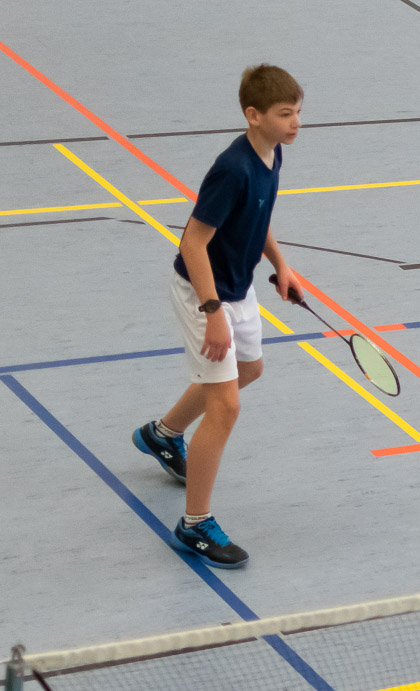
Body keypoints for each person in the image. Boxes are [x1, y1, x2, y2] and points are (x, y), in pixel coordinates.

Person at [132, 64, 305, 569]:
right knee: (225, 407)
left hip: (238, 285)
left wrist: (281, 265)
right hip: (202, 291)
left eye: (298, 112)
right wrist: (211, 312)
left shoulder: (272, 154)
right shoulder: (233, 168)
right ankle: (194, 525)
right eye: (285, 114)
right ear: (254, 115)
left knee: (249, 369)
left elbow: (258, 215)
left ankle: (162, 434)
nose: (296, 123)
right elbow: (193, 241)